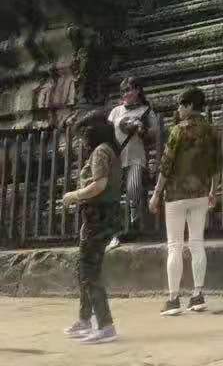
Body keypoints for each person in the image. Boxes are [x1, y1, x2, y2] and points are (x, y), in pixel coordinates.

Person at [149, 86, 221, 316]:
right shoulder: (212, 130)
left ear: (189, 106)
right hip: (201, 193)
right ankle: (197, 295)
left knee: (175, 246)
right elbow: (217, 165)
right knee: (197, 243)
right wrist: (214, 190)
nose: (178, 109)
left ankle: (173, 299)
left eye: (181, 105)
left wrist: (156, 193)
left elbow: (165, 165)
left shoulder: (178, 131)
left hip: (176, 195)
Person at [62, 112, 123, 346]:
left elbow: (99, 185)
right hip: (102, 216)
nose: (81, 140)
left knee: (89, 271)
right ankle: (85, 319)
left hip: (98, 217)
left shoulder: (100, 152)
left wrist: (74, 195)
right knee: (86, 269)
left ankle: (106, 325)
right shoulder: (110, 150)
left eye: (82, 135)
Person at [106, 76, 163, 249]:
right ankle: (113, 229)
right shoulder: (116, 111)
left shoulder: (146, 111)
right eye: (123, 91)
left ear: (137, 90)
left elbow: (156, 133)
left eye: (129, 90)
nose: (126, 94)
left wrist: (141, 129)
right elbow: (107, 131)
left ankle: (134, 225)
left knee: (134, 190)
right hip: (117, 158)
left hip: (136, 157)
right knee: (113, 194)